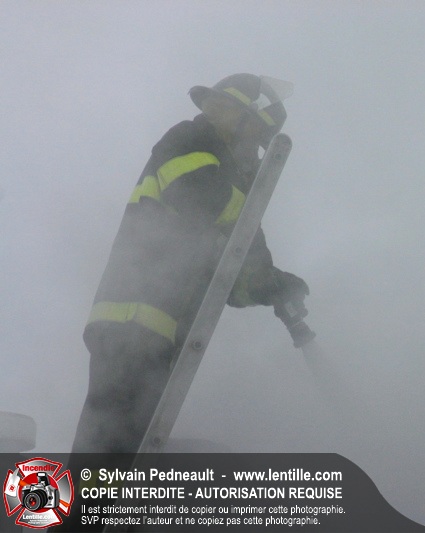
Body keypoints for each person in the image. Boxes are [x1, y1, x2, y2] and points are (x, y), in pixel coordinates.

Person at [70, 73, 311, 453]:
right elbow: (195, 195)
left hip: (167, 331)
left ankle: (102, 492)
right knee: (110, 444)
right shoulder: (188, 139)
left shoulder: (232, 182)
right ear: (238, 116)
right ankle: (89, 495)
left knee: (130, 445)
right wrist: (248, 213)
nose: (255, 148)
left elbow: (234, 277)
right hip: (131, 318)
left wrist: (272, 285)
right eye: (255, 134)